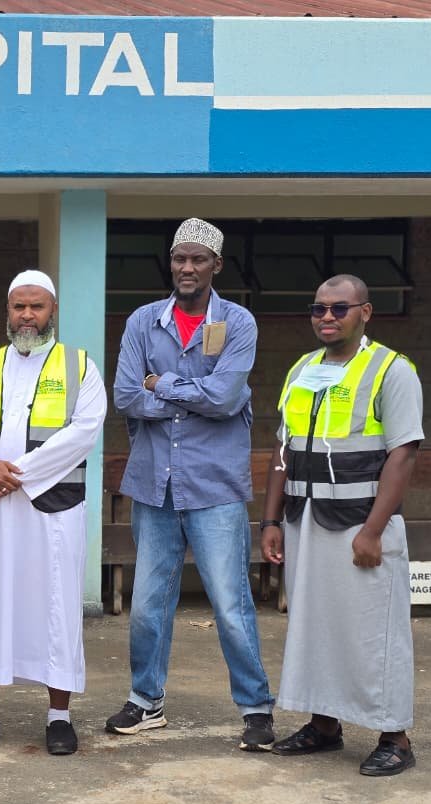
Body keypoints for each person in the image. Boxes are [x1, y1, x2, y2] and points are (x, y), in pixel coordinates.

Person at [110, 218, 276, 751]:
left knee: (230, 603)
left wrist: (164, 384)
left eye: (198, 259)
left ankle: (255, 708)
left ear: (216, 265)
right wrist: (187, 393)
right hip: (153, 484)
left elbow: (229, 398)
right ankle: (145, 701)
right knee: (148, 603)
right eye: (180, 258)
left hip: (215, 486)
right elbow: (126, 396)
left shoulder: (239, 322)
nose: (187, 267)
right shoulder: (142, 322)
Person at [262, 275, 423, 777]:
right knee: (315, 626)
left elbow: (403, 452)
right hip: (305, 518)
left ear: (365, 313)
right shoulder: (302, 369)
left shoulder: (392, 370)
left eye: (339, 309)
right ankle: (324, 725)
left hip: (359, 524)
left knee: (373, 630)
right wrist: (270, 519)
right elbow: (282, 451)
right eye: (318, 309)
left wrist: (374, 530)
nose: (327, 318)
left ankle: (395, 736)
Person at [0, 269, 108, 756]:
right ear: (8, 313)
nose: (28, 315)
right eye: (19, 307)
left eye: (37, 306)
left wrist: (18, 474)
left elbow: (84, 430)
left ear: (52, 310)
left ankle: (59, 717)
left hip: (50, 512)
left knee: (54, 604)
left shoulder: (79, 366)